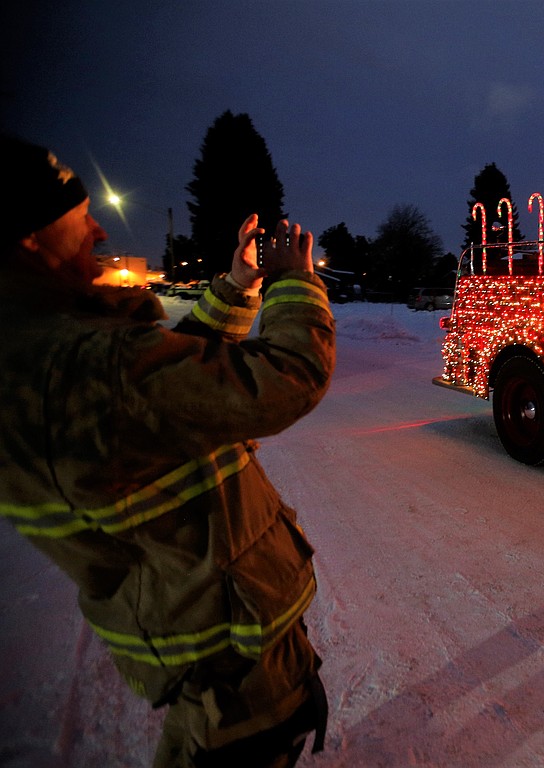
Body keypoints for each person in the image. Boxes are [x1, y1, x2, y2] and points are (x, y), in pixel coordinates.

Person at [0, 137, 334, 767]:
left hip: (195, 641)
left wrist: (237, 284)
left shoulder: (38, 351)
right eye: (77, 217)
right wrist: (295, 283)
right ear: (27, 239)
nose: (99, 228)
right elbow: (286, 381)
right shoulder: (80, 361)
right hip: (231, 663)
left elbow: (170, 387)